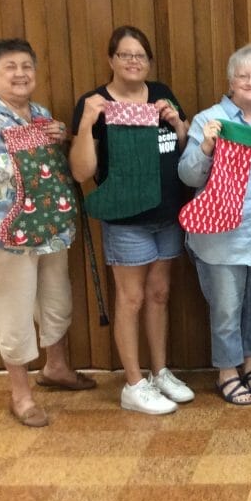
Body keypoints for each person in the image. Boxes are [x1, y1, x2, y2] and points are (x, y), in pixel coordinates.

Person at [0, 38, 94, 428]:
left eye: (26, 65)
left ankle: (56, 367)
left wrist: (64, 137)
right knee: (13, 313)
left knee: (56, 302)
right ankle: (20, 395)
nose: (20, 74)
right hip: (1, 236)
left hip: (50, 232)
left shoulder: (41, 115)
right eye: (10, 67)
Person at [70, 25, 193, 415]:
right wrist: (88, 124)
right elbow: (80, 171)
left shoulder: (161, 94)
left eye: (140, 55)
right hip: (125, 217)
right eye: (125, 55)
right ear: (111, 60)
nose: (133, 61)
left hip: (168, 212)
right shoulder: (94, 103)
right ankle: (133, 382)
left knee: (159, 294)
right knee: (132, 297)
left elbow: (187, 153)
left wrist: (177, 124)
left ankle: (158, 372)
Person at [178, 45, 251, 405]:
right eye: (244, 76)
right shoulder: (209, 119)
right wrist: (207, 145)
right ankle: (227, 371)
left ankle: (250, 364)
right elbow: (189, 176)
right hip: (220, 235)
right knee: (226, 309)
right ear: (230, 81)